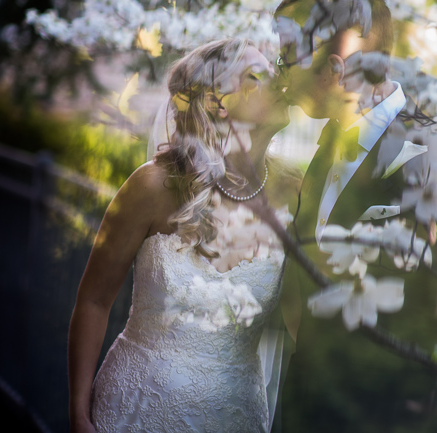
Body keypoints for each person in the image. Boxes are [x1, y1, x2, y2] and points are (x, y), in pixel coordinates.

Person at [273, 0, 437, 433]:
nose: (280, 75)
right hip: (314, 404)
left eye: (286, 57)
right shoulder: (333, 140)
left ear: (335, 65)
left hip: (388, 412)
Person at [68, 38, 294, 433]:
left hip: (236, 418)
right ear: (218, 102)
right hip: (132, 412)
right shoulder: (153, 186)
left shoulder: (296, 194)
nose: (278, 85)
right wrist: (78, 414)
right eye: (258, 77)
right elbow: (94, 299)